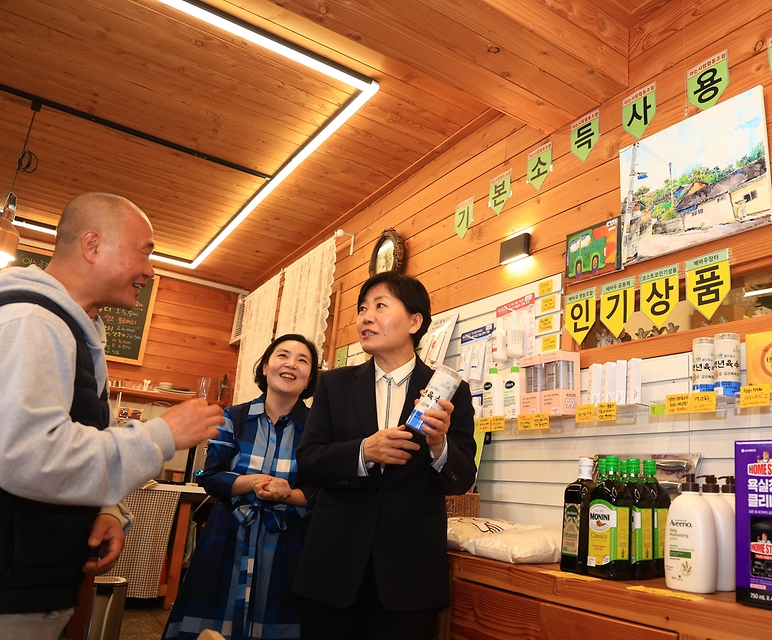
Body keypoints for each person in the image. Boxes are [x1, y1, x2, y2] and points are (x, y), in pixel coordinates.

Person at [0, 192, 223, 639]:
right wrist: (161, 435)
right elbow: (25, 453)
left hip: (36, 583)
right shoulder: (32, 322)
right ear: (92, 245)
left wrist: (105, 507)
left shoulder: (76, 331)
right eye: (145, 251)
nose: (150, 270)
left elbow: (75, 434)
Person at [295, 273, 477, 640]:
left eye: (380, 306)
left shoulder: (449, 391)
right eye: (362, 309)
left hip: (409, 574)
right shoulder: (335, 384)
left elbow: (462, 479)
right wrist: (364, 452)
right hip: (333, 566)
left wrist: (439, 446)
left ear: (415, 321)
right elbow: (309, 459)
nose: (365, 317)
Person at [164, 334, 320, 639]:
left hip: (289, 544)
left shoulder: (318, 428)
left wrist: (286, 493)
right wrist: (252, 482)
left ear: (310, 377)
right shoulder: (233, 417)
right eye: (283, 356)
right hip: (228, 536)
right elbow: (211, 476)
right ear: (265, 367)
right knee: (211, 626)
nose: (291, 364)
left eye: (303, 360)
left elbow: (320, 491)